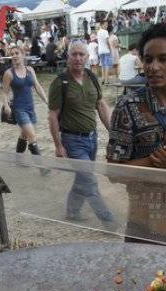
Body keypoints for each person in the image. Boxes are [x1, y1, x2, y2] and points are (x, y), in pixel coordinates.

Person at [106, 23, 166, 248]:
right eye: (148, 59)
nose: (153, 67)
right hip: (144, 224)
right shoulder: (128, 106)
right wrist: (156, 160)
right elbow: (113, 171)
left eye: (163, 59)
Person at [48, 40, 116, 226]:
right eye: (74, 54)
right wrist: (58, 145)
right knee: (89, 179)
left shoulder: (92, 78)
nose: (78, 58)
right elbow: (53, 115)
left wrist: (113, 131)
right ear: (68, 57)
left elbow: (101, 105)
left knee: (82, 178)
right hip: (71, 140)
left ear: (87, 57)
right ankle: (108, 219)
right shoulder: (60, 82)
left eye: (82, 55)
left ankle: (72, 211)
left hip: (92, 138)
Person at [2, 45, 49, 156]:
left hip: (30, 107)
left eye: (17, 53)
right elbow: (4, 92)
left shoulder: (30, 70)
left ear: (23, 55)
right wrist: (6, 106)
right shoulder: (9, 73)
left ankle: (18, 157)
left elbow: (37, 86)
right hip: (19, 109)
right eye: (12, 54)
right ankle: (41, 165)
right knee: (32, 136)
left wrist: (47, 101)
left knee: (24, 134)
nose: (14, 56)